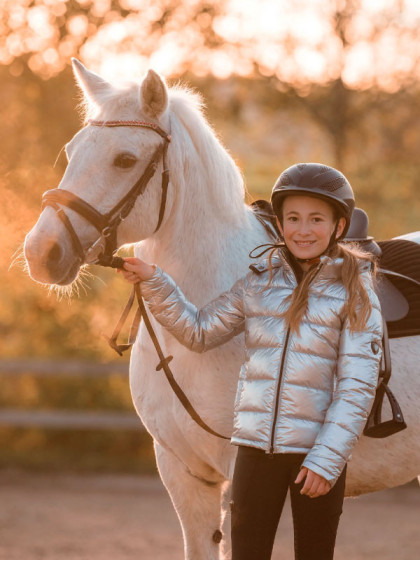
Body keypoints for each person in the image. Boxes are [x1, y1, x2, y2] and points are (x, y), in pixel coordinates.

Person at [118, 163, 383, 560]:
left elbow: (357, 386)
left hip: (317, 454)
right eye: (293, 218)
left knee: (314, 554)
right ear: (280, 223)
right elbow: (199, 331)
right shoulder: (259, 282)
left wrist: (328, 460)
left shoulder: (355, 292)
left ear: (339, 227)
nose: (303, 230)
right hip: (255, 452)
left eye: (316, 219)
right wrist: (155, 281)